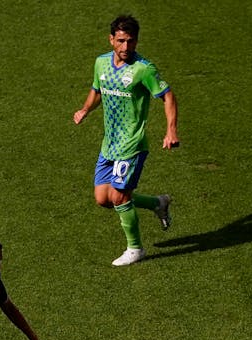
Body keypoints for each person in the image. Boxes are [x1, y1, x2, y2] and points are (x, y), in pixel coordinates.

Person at [72, 13, 178, 266]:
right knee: (103, 199)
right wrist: (85, 109)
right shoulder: (101, 63)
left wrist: (171, 130)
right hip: (109, 144)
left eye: (130, 41)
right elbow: (97, 89)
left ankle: (135, 248)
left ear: (136, 41)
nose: (125, 47)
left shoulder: (144, 69)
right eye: (120, 41)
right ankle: (157, 203)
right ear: (111, 40)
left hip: (132, 144)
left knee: (119, 196)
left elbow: (169, 97)